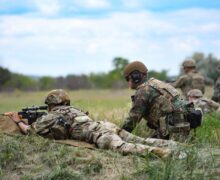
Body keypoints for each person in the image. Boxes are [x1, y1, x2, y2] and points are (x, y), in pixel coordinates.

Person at [5, 89, 183, 159]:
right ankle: (176, 146)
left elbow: (32, 131)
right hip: (106, 126)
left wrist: (18, 121)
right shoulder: (74, 109)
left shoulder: (52, 116)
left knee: (125, 147)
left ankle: (162, 153)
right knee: (139, 138)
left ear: (51, 105)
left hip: (99, 135)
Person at [121, 61, 202, 142]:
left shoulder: (143, 91)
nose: (127, 82)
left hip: (173, 133)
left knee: (144, 148)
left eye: (127, 78)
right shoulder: (156, 83)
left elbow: (133, 119)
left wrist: (119, 135)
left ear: (136, 77)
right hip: (183, 129)